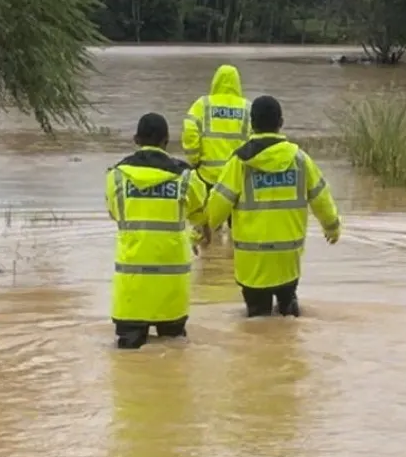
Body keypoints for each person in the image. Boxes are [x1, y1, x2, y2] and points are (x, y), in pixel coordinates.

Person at [204, 95, 340, 317]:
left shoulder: (240, 163)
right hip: (287, 258)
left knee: (257, 324)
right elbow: (321, 198)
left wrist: (199, 234)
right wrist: (332, 227)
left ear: (252, 124)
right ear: (281, 122)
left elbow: (217, 205)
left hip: (253, 261)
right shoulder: (300, 159)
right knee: (288, 316)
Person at [105, 113, 208, 349]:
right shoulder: (185, 178)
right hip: (172, 291)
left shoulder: (116, 177)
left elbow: (114, 213)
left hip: (130, 293)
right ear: (166, 141)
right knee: (174, 356)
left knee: (127, 364)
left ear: (135, 139)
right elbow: (200, 213)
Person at [182, 63, 250, 190]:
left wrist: (194, 160)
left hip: (206, 176)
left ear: (215, 81)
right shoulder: (247, 108)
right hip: (237, 179)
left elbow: (190, 132)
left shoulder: (202, 104)